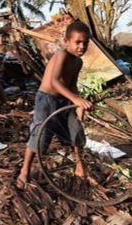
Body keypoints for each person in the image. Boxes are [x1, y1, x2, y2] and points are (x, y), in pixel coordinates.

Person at [17, 21, 93, 189]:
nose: (82, 46)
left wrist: (78, 104)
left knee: (76, 131)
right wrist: (76, 100)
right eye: (77, 42)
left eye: (85, 42)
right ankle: (25, 170)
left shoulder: (78, 62)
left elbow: (72, 85)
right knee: (39, 134)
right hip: (47, 100)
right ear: (67, 41)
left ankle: (79, 164)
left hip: (64, 101)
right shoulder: (62, 56)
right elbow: (54, 81)